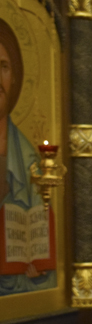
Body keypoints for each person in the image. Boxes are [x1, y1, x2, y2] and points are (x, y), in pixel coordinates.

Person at [0, 17, 55, 295]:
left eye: (3, 67)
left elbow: (41, 230)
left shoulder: (28, 159)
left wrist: (40, 266)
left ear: (15, 76)